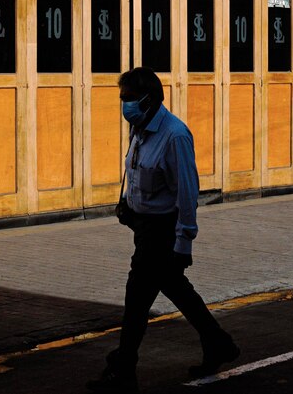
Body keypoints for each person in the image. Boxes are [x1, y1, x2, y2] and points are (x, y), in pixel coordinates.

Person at [87, 67, 239, 393]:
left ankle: (123, 368)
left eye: (129, 98)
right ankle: (218, 342)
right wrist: (128, 204)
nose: (125, 105)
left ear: (150, 99)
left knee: (137, 298)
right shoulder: (139, 127)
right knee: (175, 288)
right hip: (143, 227)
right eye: (122, 98)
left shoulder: (175, 136)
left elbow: (187, 193)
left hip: (163, 230)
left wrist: (184, 242)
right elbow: (136, 170)